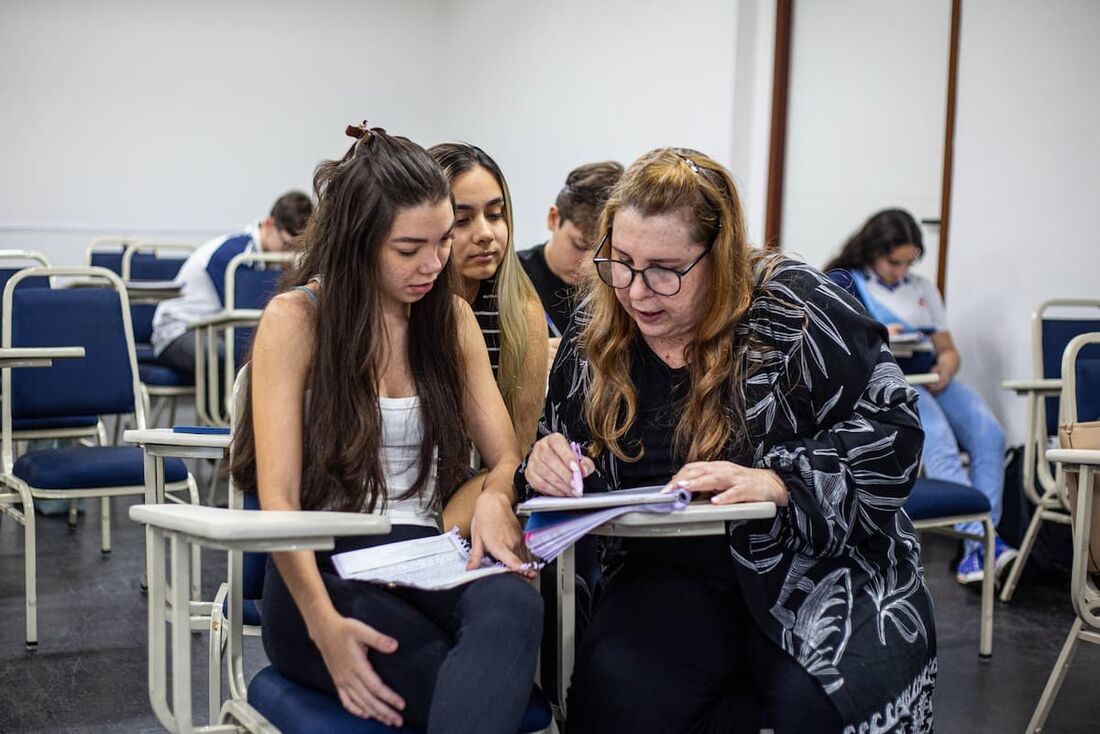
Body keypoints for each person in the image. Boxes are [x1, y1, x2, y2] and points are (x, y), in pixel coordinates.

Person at [520, 149, 936, 733]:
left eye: (666, 270)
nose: (638, 292)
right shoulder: (599, 334)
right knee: (618, 693)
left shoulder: (796, 308)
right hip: (669, 576)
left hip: (813, 566)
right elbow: (557, 444)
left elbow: (895, 434)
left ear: (719, 257)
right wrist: (544, 460)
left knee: (816, 702)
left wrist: (781, 482)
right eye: (621, 263)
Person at [229, 124, 541, 732]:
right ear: (358, 242)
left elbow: (506, 455)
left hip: (424, 557)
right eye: (408, 249)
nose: (434, 264)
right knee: (464, 682)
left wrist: (497, 497)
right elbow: (280, 503)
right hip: (318, 571)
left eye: (442, 241)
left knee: (512, 604)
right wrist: (324, 628)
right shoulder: (295, 322)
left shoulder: (448, 319)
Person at [824, 208, 1014, 585]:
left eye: (908, 262)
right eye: (894, 262)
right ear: (872, 251)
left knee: (988, 432)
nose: (900, 271)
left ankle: (980, 544)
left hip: (931, 377)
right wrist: (878, 334)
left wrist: (948, 362)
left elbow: (947, 348)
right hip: (890, 381)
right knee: (938, 438)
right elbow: (837, 348)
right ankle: (981, 542)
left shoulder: (922, 289)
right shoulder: (846, 283)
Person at [428, 143, 548, 535]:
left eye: (495, 215)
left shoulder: (520, 312)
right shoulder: (405, 309)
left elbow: (517, 455)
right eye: (462, 221)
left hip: (479, 501)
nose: (485, 234)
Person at [150, 191, 313, 375]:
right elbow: (241, 318)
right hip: (177, 333)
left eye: (295, 249)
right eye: (286, 245)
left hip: (213, 331)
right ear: (269, 224)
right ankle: (226, 405)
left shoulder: (269, 257)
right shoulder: (233, 253)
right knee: (233, 354)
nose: (288, 254)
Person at [518, 161, 624, 368]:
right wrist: (521, 357)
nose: (588, 266)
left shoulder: (622, 285)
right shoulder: (512, 275)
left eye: (604, 251)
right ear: (553, 218)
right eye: (580, 245)